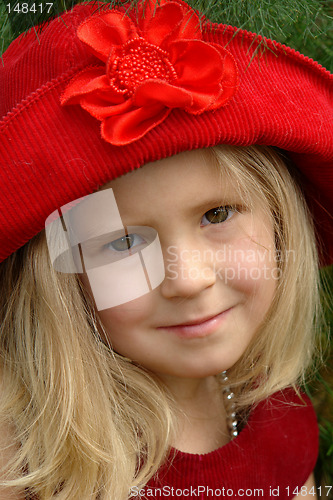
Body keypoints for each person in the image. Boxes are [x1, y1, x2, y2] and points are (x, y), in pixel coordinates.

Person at [0, 0, 332, 498]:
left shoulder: (273, 411)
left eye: (217, 215)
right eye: (124, 241)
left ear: (282, 222)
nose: (188, 278)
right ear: (60, 276)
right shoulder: (30, 459)